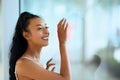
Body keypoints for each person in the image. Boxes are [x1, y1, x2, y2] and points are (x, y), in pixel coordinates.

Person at [9, 12, 71, 80]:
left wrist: (45, 74)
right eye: (40, 28)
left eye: (46, 27)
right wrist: (62, 43)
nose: (47, 32)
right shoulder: (23, 63)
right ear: (27, 35)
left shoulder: (35, 62)